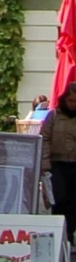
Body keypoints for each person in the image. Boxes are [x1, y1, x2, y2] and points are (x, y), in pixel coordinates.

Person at [40, 83, 76, 230]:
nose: (73, 105)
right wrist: (45, 163)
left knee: (74, 201)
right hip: (58, 163)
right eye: (71, 101)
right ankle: (59, 232)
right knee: (59, 199)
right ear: (65, 100)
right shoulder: (53, 116)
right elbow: (44, 139)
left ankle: (71, 233)